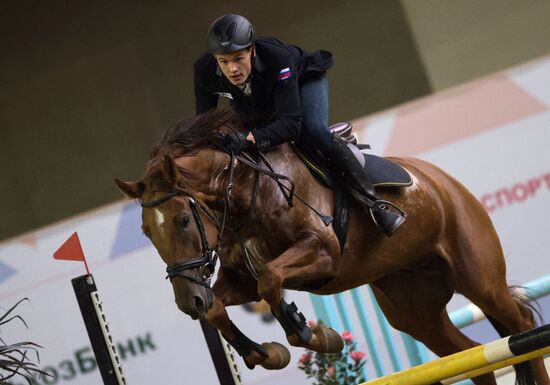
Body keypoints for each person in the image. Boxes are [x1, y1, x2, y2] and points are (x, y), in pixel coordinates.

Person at [194, 14, 405, 236]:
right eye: (223, 61)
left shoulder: (278, 58)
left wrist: (248, 138)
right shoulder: (203, 70)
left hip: (303, 82)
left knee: (312, 130)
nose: (232, 69)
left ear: (252, 50)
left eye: (238, 58)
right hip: (257, 99)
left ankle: (375, 204)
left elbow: (290, 124)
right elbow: (204, 123)